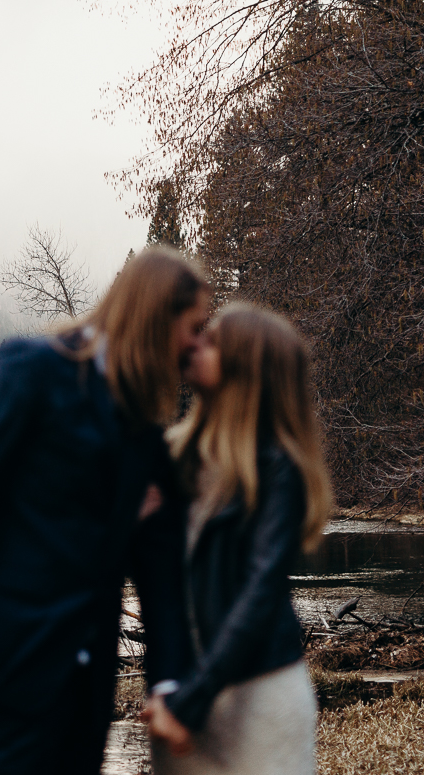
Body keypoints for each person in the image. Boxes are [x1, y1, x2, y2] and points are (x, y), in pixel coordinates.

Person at [0, 246, 210, 775]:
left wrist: (170, 682)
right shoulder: (26, 372)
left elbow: (162, 574)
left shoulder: (146, 438)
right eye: (193, 328)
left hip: (87, 692)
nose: (196, 346)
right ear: (155, 317)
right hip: (6, 676)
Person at [142, 301, 333, 775]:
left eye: (211, 341)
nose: (194, 345)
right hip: (182, 698)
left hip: (258, 700)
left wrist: (190, 699)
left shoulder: (277, 469)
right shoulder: (175, 459)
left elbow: (259, 592)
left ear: (245, 367)